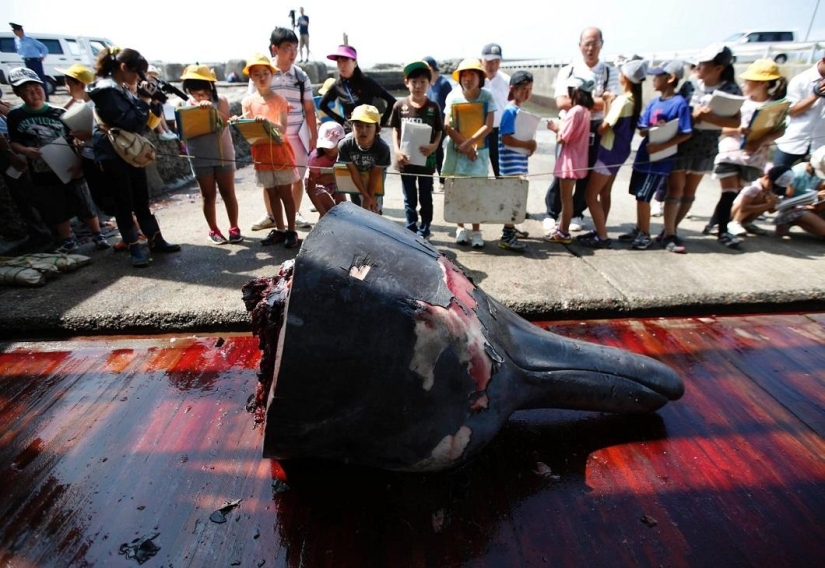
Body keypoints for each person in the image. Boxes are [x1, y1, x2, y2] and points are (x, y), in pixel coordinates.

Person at [87, 47, 180, 267]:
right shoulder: (105, 90)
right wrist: (144, 100)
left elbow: (142, 124)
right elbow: (131, 122)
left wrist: (151, 103)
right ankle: (134, 248)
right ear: (123, 68)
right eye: (137, 73)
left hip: (128, 153)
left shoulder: (120, 89)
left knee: (140, 199)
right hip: (113, 155)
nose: (138, 79)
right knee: (123, 202)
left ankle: (155, 240)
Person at [6, 67, 110, 254]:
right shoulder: (15, 115)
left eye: (36, 88)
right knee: (54, 205)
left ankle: (98, 234)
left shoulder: (59, 112)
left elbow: (78, 141)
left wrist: (79, 163)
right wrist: (25, 151)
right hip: (41, 170)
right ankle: (68, 240)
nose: (34, 93)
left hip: (68, 164)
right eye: (27, 90)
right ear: (17, 93)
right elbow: (13, 142)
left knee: (83, 200)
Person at [662, 45, 742, 252]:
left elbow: (735, 122)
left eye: (704, 64)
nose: (699, 67)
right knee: (675, 189)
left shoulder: (732, 90)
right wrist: (691, 116)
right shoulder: (689, 85)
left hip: (706, 146)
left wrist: (709, 117)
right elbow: (676, 109)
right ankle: (669, 233)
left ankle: (672, 230)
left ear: (719, 68)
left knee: (689, 191)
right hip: (682, 143)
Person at [543, 27, 620, 234]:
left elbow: (613, 103)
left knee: (585, 173)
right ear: (580, 45)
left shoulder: (609, 71)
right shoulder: (568, 70)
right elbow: (561, 101)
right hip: (572, 123)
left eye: (595, 43)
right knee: (560, 173)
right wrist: (597, 101)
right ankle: (552, 213)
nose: (590, 47)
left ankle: (577, 212)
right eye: (587, 43)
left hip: (596, 128)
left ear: (601, 45)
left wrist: (586, 102)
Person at [710, 59, 788, 248]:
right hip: (730, 153)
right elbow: (718, 127)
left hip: (754, 158)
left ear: (763, 83)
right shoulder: (738, 102)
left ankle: (714, 224)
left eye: (749, 80)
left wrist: (762, 140)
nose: (744, 83)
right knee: (728, 192)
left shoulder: (776, 106)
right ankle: (722, 231)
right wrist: (738, 129)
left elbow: (780, 129)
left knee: (733, 192)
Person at [247, 27, 317, 233]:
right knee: (269, 179)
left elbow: (310, 109)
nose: (293, 52)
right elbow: (251, 102)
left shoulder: (301, 75)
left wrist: (312, 137)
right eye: (287, 47)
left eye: (295, 47)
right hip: (270, 138)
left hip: (297, 134)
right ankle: (270, 215)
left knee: (297, 178)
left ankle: (294, 214)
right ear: (274, 49)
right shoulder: (264, 73)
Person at [618, 61, 692, 251]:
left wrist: (662, 146)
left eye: (658, 76)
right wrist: (650, 130)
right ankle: (639, 228)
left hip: (658, 162)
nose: (653, 79)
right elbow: (642, 128)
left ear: (671, 78)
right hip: (644, 155)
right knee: (638, 195)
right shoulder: (653, 102)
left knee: (644, 196)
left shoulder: (679, 104)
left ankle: (644, 234)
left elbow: (686, 132)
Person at [579, 59, 647, 249]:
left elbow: (603, 128)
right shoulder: (634, 101)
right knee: (605, 193)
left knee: (590, 195)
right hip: (620, 153)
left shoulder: (623, 101)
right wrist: (609, 102)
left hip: (607, 154)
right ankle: (602, 229)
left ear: (625, 77)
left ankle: (602, 236)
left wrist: (609, 102)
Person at [239, 54, 300, 248]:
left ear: (272, 75)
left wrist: (266, 122)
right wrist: (239, 122)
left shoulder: (280, 100)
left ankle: (292, 230)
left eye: (266, 73)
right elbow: (247, 130)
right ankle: (280, 230)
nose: (262, 77)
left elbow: (282, 129)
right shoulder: (247, 102)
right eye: (257, 74)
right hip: (261, 155)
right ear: (251, 77)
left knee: (285, 194)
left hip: (280, 154)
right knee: (271, 194)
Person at [180, 64, 241, 245]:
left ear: (210, 88)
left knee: (228, 192)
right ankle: (213, 230)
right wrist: (196, 110)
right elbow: (181, 131)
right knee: (208, 195)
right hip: (199, 155)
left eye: (203, 92)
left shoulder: (220, 100)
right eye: (194, 92)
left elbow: (225, 121)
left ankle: (234, 227)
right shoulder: (183, 105)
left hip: (223, 154)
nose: (199, 96)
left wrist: (210, 110)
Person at [442, 58, 496, 248]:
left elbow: (488, 125)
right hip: (457, 151)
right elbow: (447, 125)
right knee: (458, 191)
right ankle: (460, 228)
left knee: (476, 192)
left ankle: (476, 230)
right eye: (464, 74)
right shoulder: (453, 97)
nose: (468, 78)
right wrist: (463, 145)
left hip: (479, 152)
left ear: (480, 77)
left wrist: (470, 144)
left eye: (472, 74)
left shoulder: (487, 96)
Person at [389, 61, 444, 239]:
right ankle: (410, 228)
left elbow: (439, 131)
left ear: (429, 84)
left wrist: (434, 145)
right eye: (414, 82)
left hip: (427, 160)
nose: (418, 86)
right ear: (407, 83)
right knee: (409, 198)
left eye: (422, 82)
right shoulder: (399, 106)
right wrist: (396, 150)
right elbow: (395, 130)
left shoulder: (433, 107)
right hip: (406, 161)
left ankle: (425, 228)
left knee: (426, 196)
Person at [544, 75, 594, 244]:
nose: (567, 94)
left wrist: (554, 128)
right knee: (568, 198)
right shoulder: (586, 112)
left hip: (569, 162)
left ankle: (563, 231)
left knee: (566, 199)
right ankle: (563, 227)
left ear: (576, 92)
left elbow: (562, 138)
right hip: (579, 160)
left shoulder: (575, 111)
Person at [497, 70, 536, 252]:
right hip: (509, 164)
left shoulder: (519, 110)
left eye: (529, 89)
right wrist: (527, 143)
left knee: (516, 198)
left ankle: (511, 228)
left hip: (517, 161)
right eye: (522, 89)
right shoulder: (510, 111)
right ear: (512, 89)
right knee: (512, 199)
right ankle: (507, 235)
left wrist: (528, 147)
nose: (526, 93)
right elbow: (506, 139)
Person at [319, 45, 397, 129]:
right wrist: (341, 121)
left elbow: (392, 101)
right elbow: (322, 105)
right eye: (339, 62)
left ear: (355, 63)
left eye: (345, 61)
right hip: (349, 132)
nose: (342, 66)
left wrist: (380, 123)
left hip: (368, 131)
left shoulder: (366, 81)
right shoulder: (337, 85)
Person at [337, 104, 391, 214]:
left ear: (377, 129)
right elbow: (353, 172)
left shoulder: (382, 148)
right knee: (357, 208)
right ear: (352, 127)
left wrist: (370, 197)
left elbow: (376, 174)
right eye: (358, 126)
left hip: (376, 179)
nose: (363, 130)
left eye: (368, 126)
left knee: (374, 208)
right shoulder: (345, 145)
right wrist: (365, 196)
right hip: (355, 178)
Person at [773, 56, 825, 169]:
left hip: (820, 146)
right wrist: (815, 95)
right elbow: (791, 111)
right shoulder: (801, 80)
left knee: (816, 185)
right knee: (778, 180)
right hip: (793, 142)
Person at [729, 166, 792, 236]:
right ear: (766, 178)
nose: (772, 188)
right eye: (773, 186)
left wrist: (776, 203)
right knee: (759, 197)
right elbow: (743, 207)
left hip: (745, 212)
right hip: (732, 212)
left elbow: (771, 211)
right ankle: (735, 222)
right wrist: (768, 205)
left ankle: (746, 223)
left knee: (765, 199)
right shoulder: (754, 187)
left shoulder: (767, 190)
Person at [305, 121, 346, 218]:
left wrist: (332, 177)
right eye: (325, 145)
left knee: (343, 211)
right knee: (330, 212)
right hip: (316, 184)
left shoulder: (345, 155)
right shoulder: (315, 158)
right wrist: (322, 212)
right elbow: (311, 189)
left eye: (331, 145)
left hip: (335, 183)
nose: (327, 149)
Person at [424, 56, 453, 190]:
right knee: (429, 156)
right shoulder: (429, 85)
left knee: (441, 155)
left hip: (441, 127)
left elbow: (451, 105)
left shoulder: (444, 83)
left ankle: (442, 181)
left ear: (431, 68)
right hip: (429, 127)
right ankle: (429, 183)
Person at [481, 43, 510, 178]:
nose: (493, 66)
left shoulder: (506, 81)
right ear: (482, 60)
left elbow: (513, 108)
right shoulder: (476, 80)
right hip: (479, 131)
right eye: (489, 62)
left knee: (501, 172)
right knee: (479, 170)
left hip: (499, 132)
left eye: (496, 62)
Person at [10, 23, 49, 102]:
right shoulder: (17, 40)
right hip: (27, 61)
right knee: (30, 81)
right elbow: (19, 50)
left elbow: (44, 48)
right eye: (13, 31)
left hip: (35, 61)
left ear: (21, 30)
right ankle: (35, 98)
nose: (14, 32)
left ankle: (45, 99)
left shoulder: (30, 39)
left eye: (15, 30)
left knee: (40, 80)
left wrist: (42, 56)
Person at [145, 65, 178, 142]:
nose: (152, 76)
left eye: (154, 74)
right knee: (156, 112)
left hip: (155, 104)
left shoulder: (155, 85)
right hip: (148, 107)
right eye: (150, 74)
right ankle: (161, 132)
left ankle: (166, 130)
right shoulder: (145, 84)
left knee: (160, 110)